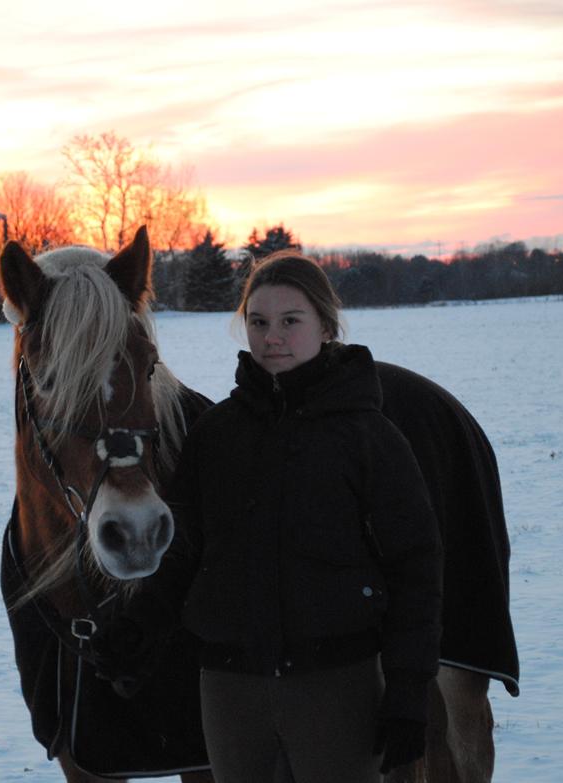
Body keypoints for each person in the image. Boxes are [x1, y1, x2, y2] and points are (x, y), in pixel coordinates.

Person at [102, 250, 443, 782]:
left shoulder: (370, 437)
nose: (271, 338)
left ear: (326, 326)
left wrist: (407, 690)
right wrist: (139, 628)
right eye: (258, 322)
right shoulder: (216, 435)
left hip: (337, 687)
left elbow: (416, 569)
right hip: (231, 693)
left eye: (290, 321)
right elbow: (187, 552)